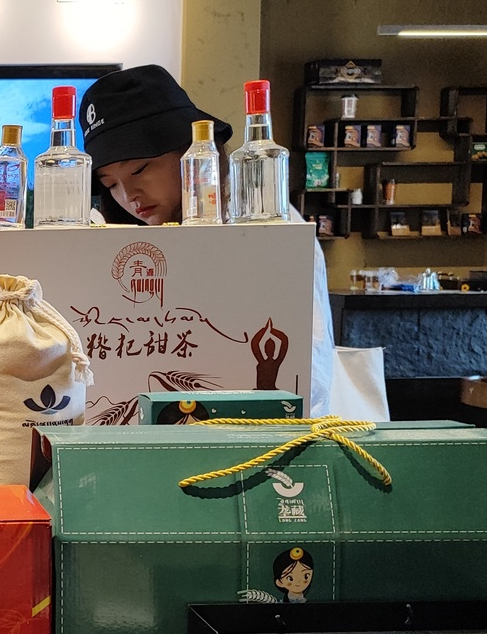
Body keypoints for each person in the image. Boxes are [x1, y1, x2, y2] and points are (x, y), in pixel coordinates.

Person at [78, 65, 335, 417]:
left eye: (139, 169)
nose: (128, 195)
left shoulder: (265, 222)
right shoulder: (130, 245)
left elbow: (309, 368)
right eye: (110, 184)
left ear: (193, 150)